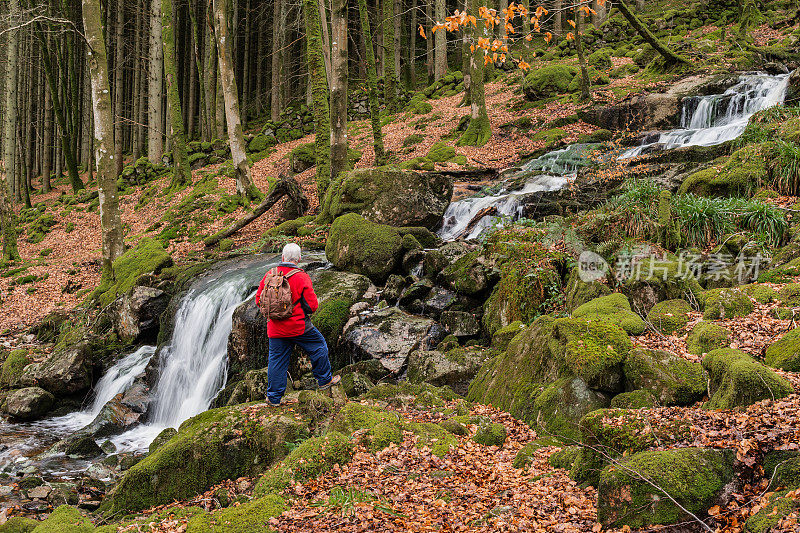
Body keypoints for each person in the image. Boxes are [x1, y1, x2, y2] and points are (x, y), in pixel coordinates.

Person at [255, 242, 339, 406]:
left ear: (282, 257)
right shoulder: (301, 276)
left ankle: (273, 398)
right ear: (299, 259)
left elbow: (259, 300)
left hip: (275, 329)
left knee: (277, 362)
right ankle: (324, 380)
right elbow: (312, 305)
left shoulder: (269, 275)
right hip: (299, 327)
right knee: (319, 346)